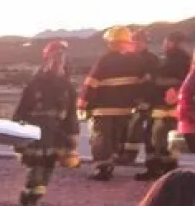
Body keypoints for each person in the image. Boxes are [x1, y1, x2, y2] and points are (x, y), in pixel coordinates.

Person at [12, 40, 80, 206]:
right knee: (36, 168)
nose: (58, 60)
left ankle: (34, 199)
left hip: (57, 134)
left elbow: (71, 114)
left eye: (61, 56)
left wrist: (72, 137)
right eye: (55, 56)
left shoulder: (68, 87)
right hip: (36, 132)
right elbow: (22, 109)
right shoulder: (35, 83)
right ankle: (27, 202)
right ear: (47, 59)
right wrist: (17, 135)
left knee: (47, 169)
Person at [79, 26, 148, 181]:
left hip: (102, 110)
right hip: (125, 110)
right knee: (117, 139)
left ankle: (102, 170)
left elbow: (91, 83)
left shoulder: (106, 59)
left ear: (113, 42)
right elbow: (143, 84)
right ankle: (111, 165)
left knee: (101, 139)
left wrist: (82, 104)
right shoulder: (137, 61)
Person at [136, 32, 192, 181]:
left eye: (165, 41)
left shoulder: (176, 59)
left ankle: (159, 170)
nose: (163, 44)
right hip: (164, 106)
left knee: (157, 138)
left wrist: (153, 81)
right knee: (162, 138)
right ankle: (164, 170)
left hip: (164, 107)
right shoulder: (181, 58)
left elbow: (172, 81)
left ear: (171, 42)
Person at [119, 29, 161, 167]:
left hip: (144, 101)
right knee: (127, 129)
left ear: (143, 42)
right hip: (129, 100)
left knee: (139, 129)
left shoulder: (150, 59)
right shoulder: (128, 58)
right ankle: (124, 156)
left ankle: (136, 158)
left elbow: (151, 81)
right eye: (133, 41)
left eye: (137, 41)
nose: (134, 44)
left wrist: (145, 100)